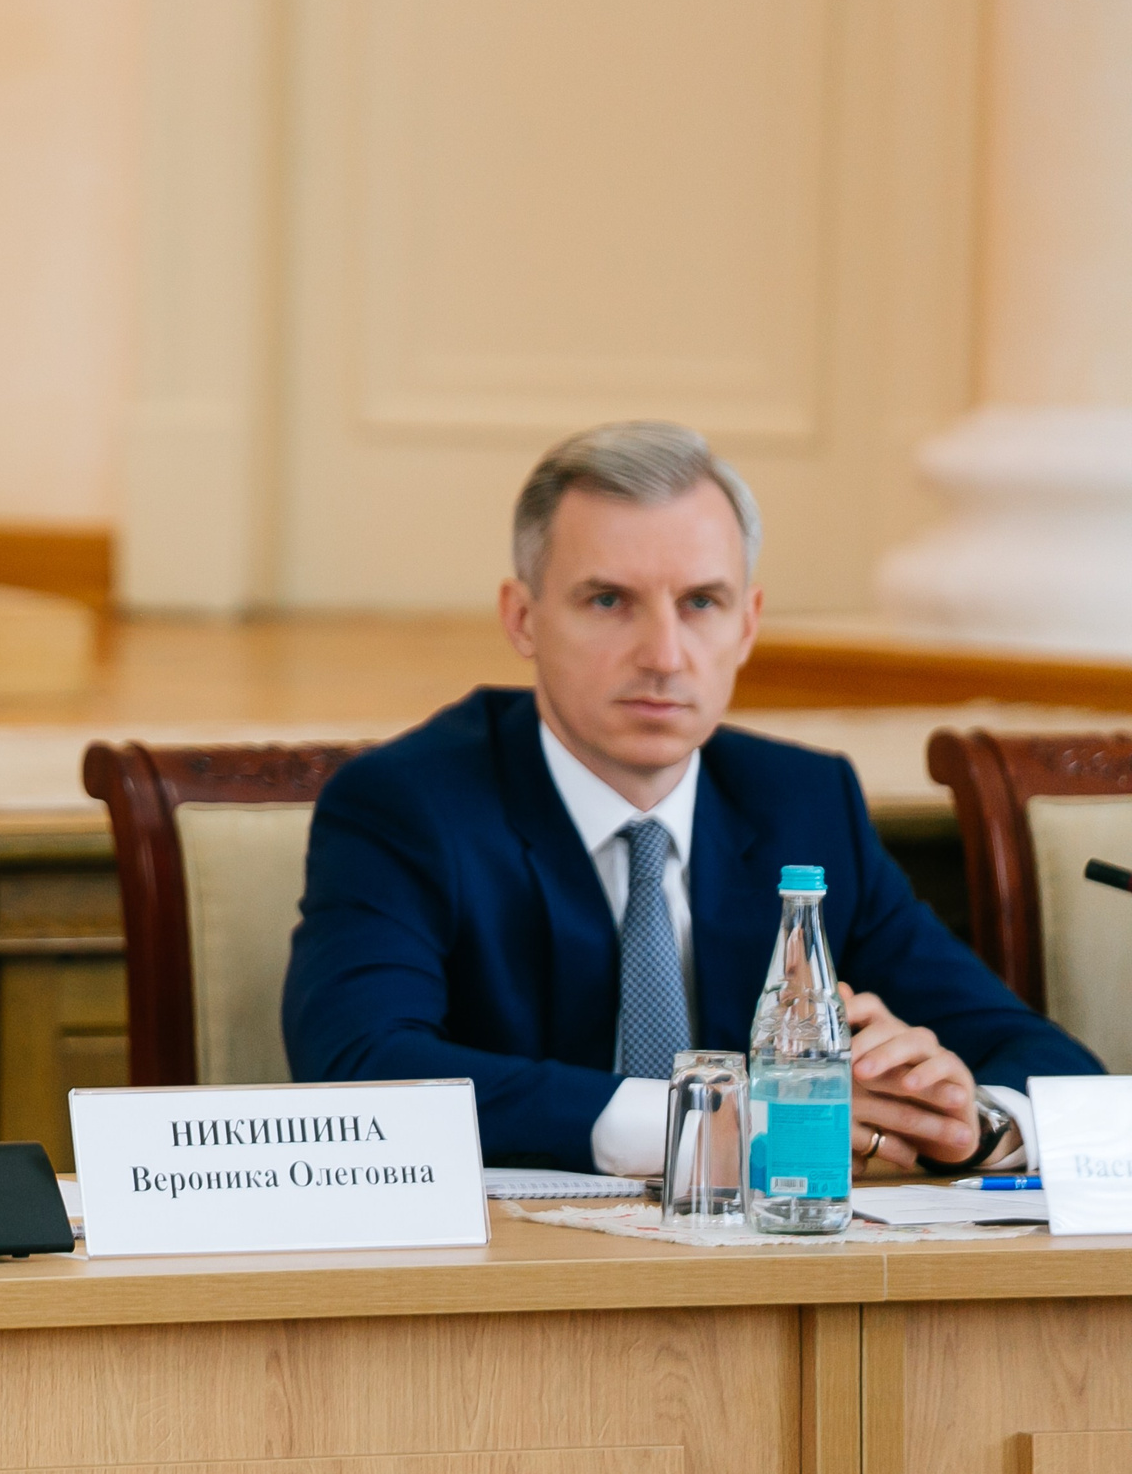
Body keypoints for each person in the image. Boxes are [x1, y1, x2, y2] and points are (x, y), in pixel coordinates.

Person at [282, 421, 1099, 1175]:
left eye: (700, 603)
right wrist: (710, 1119)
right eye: (610, 601)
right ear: (523, 618)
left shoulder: (806, 803)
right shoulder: (406, 805)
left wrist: (972, 1122)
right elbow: (361, 1070)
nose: (664, 655)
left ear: (747, 624)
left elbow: (1046, 1063)